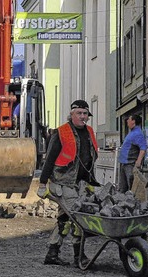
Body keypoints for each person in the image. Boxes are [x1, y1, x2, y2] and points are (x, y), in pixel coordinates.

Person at [37, 99, 99, 267]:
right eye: (79, 113)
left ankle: (52, 253)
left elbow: (89, 159)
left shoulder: (90, 132)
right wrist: (43, 183)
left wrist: (91, 182)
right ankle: (79, 256)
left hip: (79, 184)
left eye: (85, 114)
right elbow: (49, 159)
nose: (82, 116)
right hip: (63, 183)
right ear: (71, 114)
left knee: (65, 218)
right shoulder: (61, 132)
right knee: (79, 217)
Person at [118, 114, 147, 193]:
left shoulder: (137, 133)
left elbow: (143, 148)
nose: (127, 121)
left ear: (133, 121)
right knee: (122, 188)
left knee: (132, 188)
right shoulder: (132, 132)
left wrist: (138, 161)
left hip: (130, 164)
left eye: (129, 119)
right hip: (125, 163)